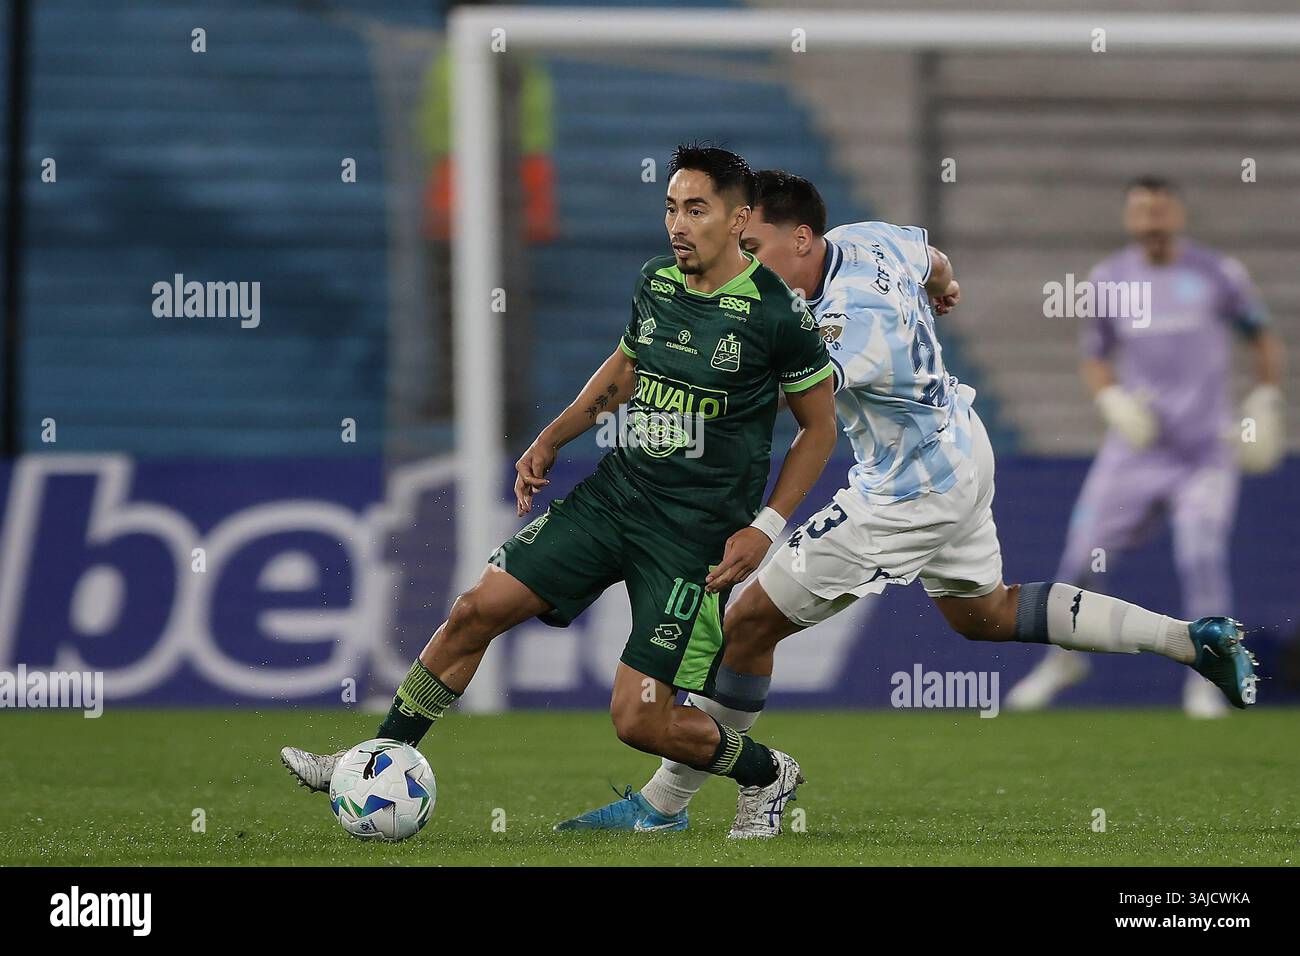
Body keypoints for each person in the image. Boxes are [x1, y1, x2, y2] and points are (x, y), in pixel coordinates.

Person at [559, 170, 1258, 837]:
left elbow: (785, 399)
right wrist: (946, 286)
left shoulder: (845, 320)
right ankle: (1189, 641)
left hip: (907, 488)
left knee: (746, 624)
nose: (746, 264)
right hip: (958, 446)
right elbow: (933, 259)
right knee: (985, 613)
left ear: (800, 239)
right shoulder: (867, 238)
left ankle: (669, 802)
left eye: (754, 249)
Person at [281, 147, 839, 833]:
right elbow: (625, 368)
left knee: (638, 719)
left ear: (739, 217)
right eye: (671, 207)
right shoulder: (656, 283)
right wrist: (553, 437)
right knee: (473, 610)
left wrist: (767, 526)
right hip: (616, 499)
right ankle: (375, 758)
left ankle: (767, 772)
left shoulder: (778, 314)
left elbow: (819, 429)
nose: (678, 225)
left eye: (696, 210)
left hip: (693, 540)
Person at [1008, 176, 1284, 717]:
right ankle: (1063, 658)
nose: (1151, 224)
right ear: (1130, 220)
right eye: (1141, 214)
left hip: (1204, 452)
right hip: (1135, 452)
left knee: (1201, 553)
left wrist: (1267, 398)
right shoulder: (1110, 279)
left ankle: (1211, 673)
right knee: (1081, 557)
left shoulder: (1218, 274)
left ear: (1177, 215)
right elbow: (1094, 354)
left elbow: (1262, 336)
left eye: (1159, 213)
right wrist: (1110, 398)